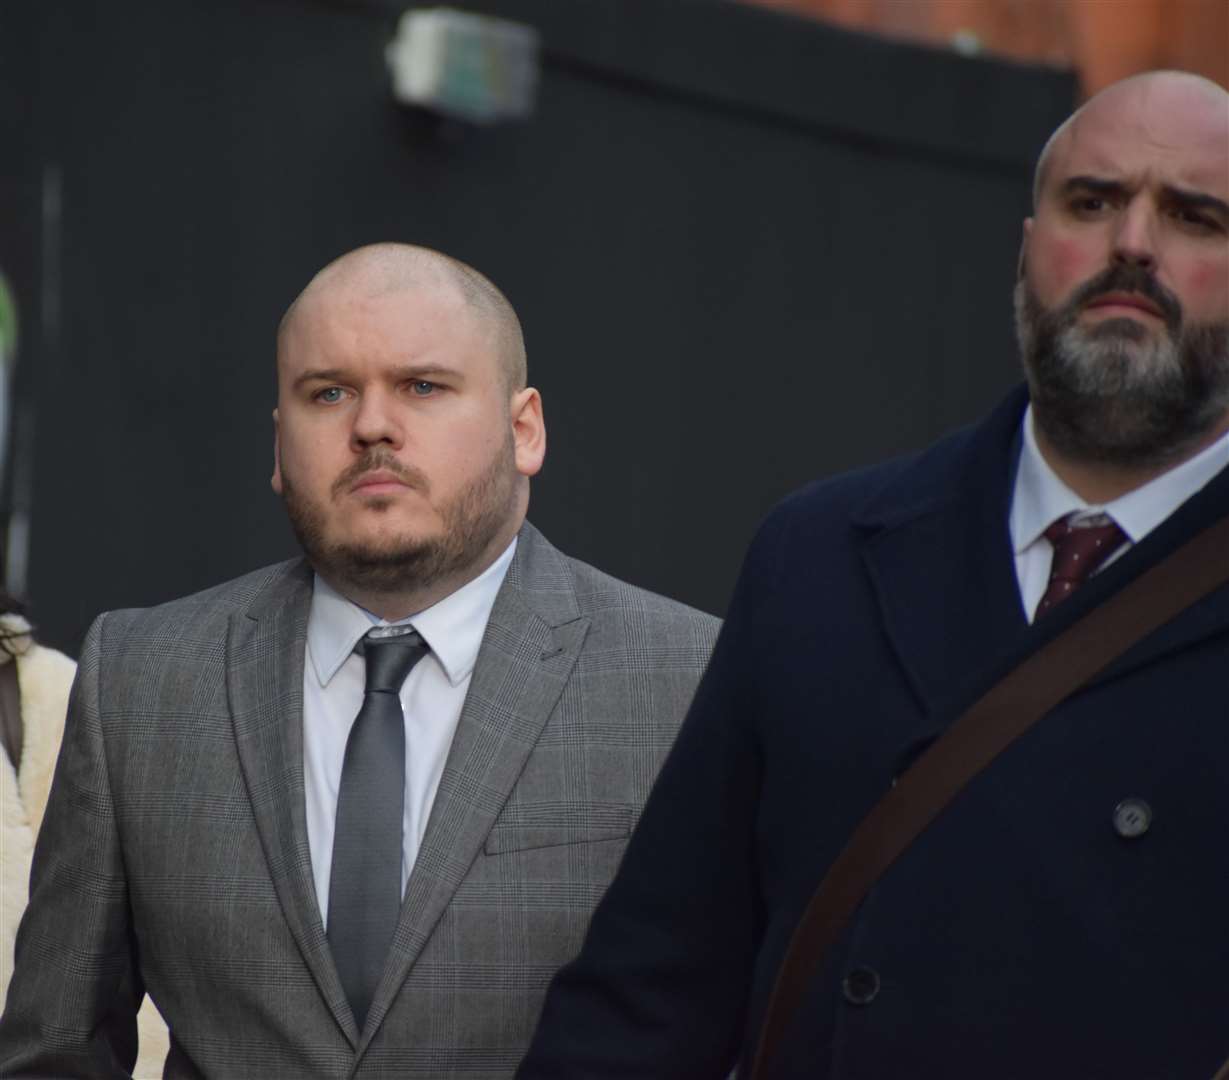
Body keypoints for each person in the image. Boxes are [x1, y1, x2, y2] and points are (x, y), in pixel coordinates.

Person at [516, 69, 1229, 1079]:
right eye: (1092, 201)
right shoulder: (821, 552)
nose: (1131, 245)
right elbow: (654, 986)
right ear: (1026, 250)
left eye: (1193, 216)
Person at [0, 244, 719, 1078]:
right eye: (328, 392)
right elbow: (55, 1054)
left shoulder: (686, 679)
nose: (371, 425)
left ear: (524, 429)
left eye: (422, 386)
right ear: (278, 445)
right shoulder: (142, 679)